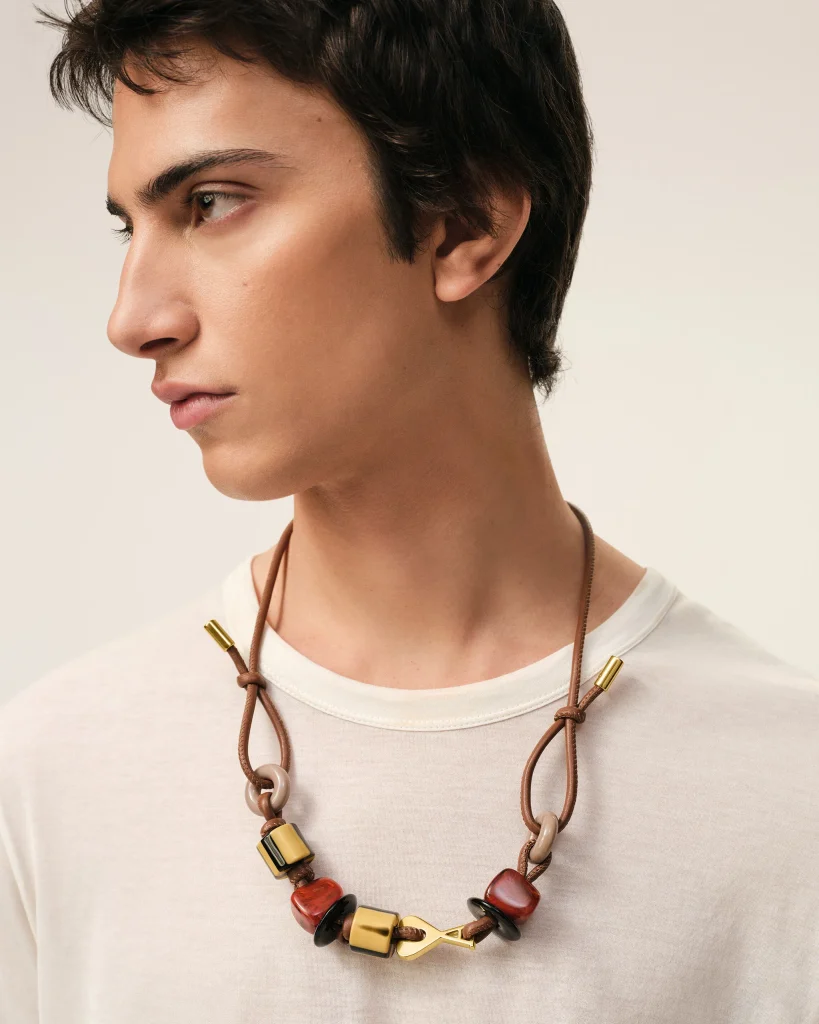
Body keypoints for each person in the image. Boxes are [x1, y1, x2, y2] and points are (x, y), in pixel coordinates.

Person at [1, 0, 817, 1020]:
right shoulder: (48, 776)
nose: (133, 318)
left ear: (464, 223)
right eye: (134, 226)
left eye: (209, 203)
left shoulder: (792, 797)